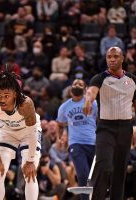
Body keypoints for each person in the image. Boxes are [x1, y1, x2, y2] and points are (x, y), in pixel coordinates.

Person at [83, 46, 136, 200]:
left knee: (120, 172)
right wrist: (87, 101)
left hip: (126, 128)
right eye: (109, 57)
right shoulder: (99, 78)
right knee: (104, 166)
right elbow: (91, 92)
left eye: (115, 56)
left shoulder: (132, 80)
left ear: (122, 58)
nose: (112, 59)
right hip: (106, 128)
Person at [0, 68, 42, 200]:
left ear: (15, 94)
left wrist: (31, 160)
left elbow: (32, 132)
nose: (2, 100)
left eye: (6, 95)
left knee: (29, 173)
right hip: (7, 131)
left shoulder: (25, 104)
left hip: (28, 133)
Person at [57, 79, 97, 200]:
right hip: (75, 144)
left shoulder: (93, 103)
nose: (77, 85)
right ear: (70, 89)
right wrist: (60, 139)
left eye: (80, 84)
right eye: (75, 84)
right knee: (83, 174)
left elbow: (100, 120)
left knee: (94, 176)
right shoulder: (64, 107)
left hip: (93, 143)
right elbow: (60, 124)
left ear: (85, 89)